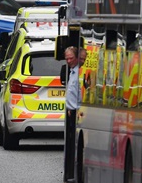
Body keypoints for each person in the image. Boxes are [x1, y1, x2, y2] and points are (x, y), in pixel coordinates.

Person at [63, 46, 80, 182]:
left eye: (71, 58)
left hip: (78, 113)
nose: (68, 61)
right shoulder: (72, 71)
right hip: (71, 112)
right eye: (66, 58)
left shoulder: (79, 72)